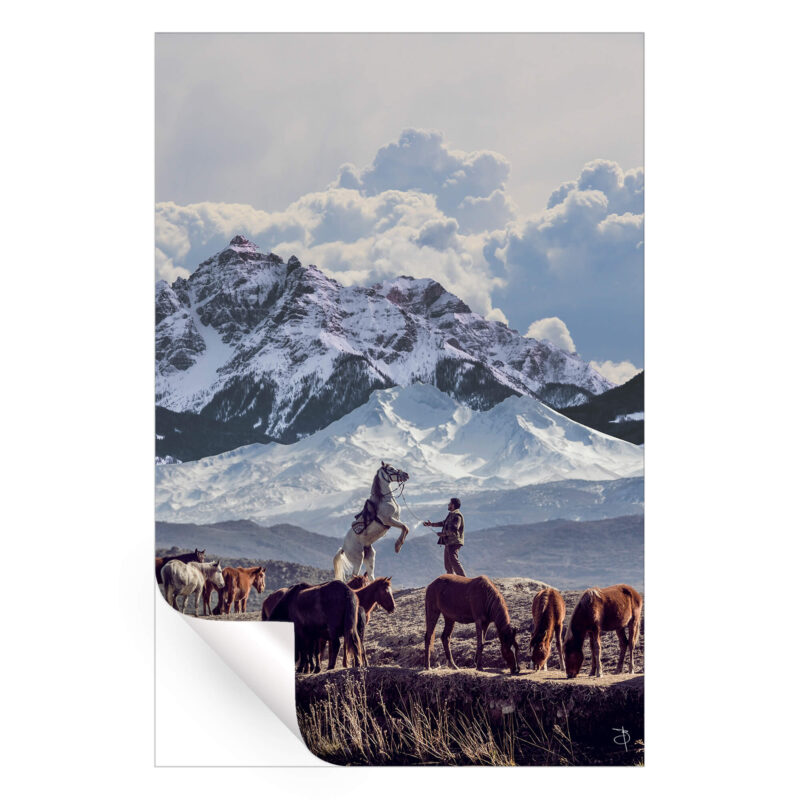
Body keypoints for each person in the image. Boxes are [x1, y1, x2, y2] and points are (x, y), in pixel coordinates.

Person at [423, 497, 466, 576]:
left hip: (454, 542)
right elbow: (443, 523)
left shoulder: (457, 516)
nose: (448, 505)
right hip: (449, 542)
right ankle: (451, 580)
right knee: (447, 563)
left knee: (453, 560)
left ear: (453, 505)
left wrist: (443, 534)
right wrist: (431, 524)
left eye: (449, 503)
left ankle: (464, 579)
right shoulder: (451, 515)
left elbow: (454, 529)